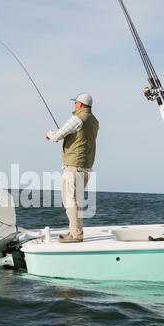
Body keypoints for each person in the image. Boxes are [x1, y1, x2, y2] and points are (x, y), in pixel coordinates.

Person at [46, 93, 99, 243]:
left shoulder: (77, 118)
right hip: (86, 167)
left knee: (69, 200)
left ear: (80, 105)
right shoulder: (94, 121)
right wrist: (61, 133)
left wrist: (50, 134)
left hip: (73, 167)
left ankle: (75, 235)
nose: (74, 106)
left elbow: (57, 136)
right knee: (76, 201)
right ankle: (76, 231)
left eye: (75, 103)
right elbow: (78, 136)